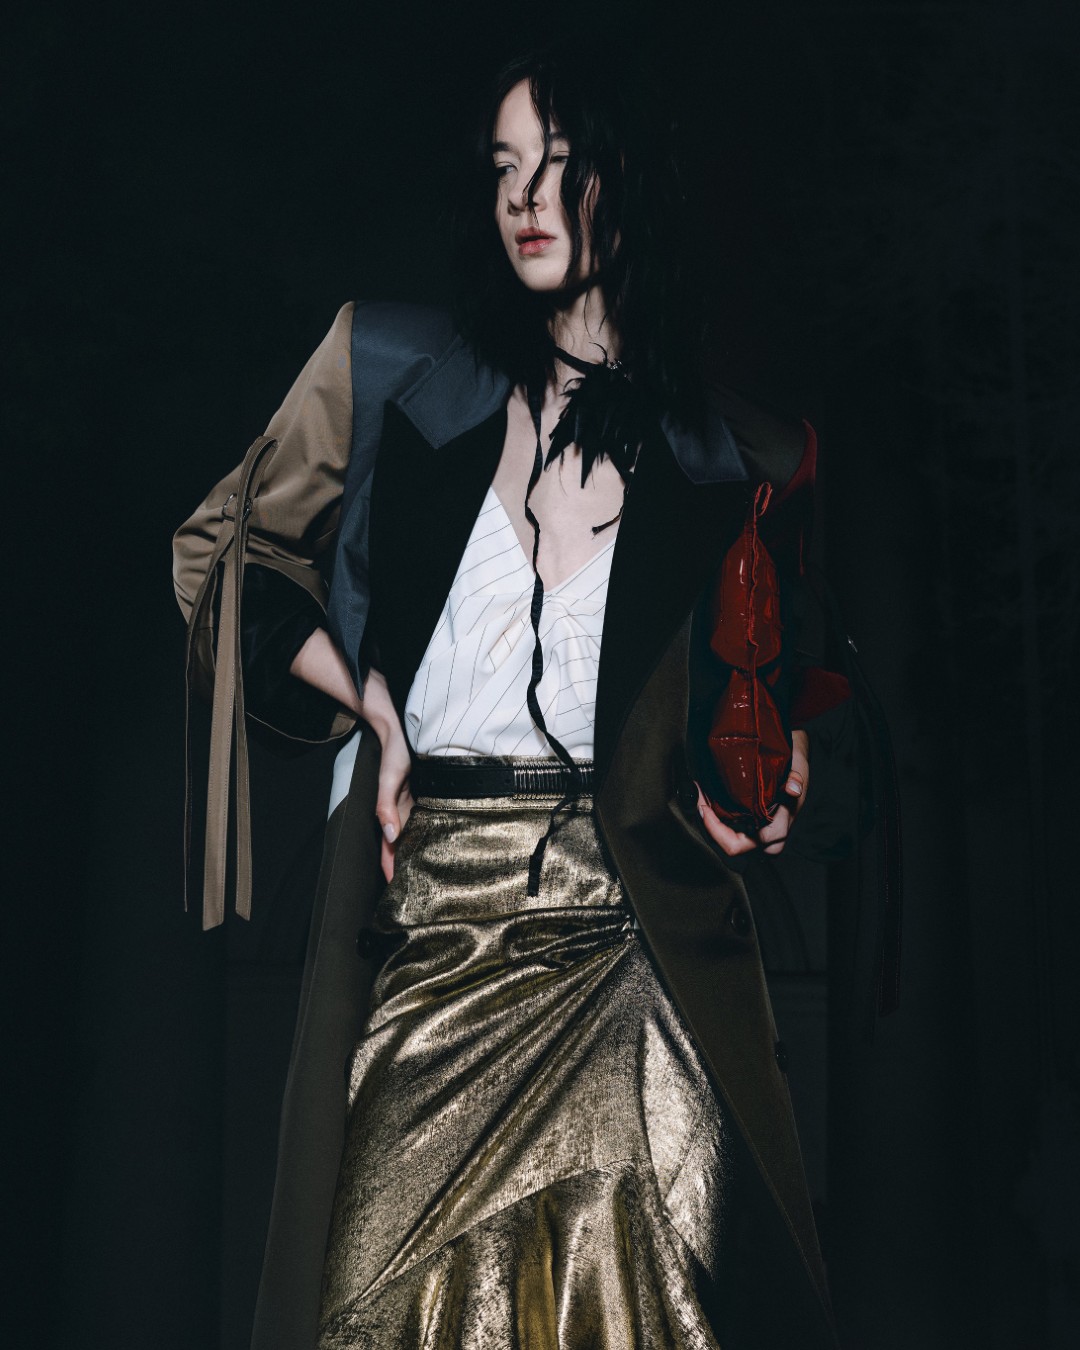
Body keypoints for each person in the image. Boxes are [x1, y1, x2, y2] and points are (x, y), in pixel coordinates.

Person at [175, 44, 863, 1350]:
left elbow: (773, 698)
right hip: (430, 926)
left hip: (629, 939)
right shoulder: (386, 365)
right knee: (384, 1306)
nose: (525, 198)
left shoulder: (743, 458)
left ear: (630, 183)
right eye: (505, 168)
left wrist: (779, 771)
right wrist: (368, 704)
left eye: (560, 163)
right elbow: (220, 556)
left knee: (659, 1303)